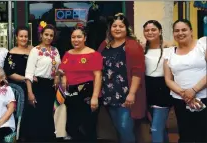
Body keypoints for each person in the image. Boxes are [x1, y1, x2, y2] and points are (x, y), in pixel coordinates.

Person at [97, 13, 146, 143]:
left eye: (121, 26)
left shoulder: (132, 45)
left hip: (126, 95)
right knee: (118, 127)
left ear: (127, 29)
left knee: (125, 127)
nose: (117, 29)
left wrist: (132, 93)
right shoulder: (105, 45)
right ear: (110, 28)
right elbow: (97, 67)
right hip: (109, 93)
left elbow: (137, 72)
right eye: (114, 26)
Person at [58, 23, 102, 142]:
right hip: (71, 94)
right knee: (71, 127)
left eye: (79, 37)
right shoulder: (67, 54)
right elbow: (65, 74)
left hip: (87, 92)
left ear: (85, 38)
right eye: (73, 37)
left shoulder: (93, 54)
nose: (75, 40)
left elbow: (98, 75)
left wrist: (95, 97)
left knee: (88, 127)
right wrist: (63, 89)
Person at [164, 19, 207, 142]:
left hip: (204, 97)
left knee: (203, 134)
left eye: (184, 29)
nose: (180, 33)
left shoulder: (202, 45)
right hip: (181, 100)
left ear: (191, 31)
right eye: (176, 31)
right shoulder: (169, 53)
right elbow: (168, 79)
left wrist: (194, 90)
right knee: (185, 134)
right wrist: (184, 93)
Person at [22, 22, 61, 142]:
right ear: (41, 35)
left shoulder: (55, 50)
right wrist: (30, 93)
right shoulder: (35, 50)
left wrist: (57, 76)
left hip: (51, 87)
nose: (48, 37)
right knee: (38, 117)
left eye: (51, 35)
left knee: (49, 115)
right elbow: (29, 73)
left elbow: (59, 67)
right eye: (46, 34)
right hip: (38, 86)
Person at [142, 20, 173, 143]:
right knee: (159, 127)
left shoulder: (169, 49)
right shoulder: (141, 49)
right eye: (147, 30)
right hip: (147, 90)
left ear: (160, 31)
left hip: (163, 90)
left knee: (155, 129)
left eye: (153, 29)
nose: (150, 32)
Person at [3, 26, 32, 140]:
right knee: (21, 113)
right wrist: (25, 79)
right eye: (21, 36)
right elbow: (9, 73)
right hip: (19, 88)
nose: (24, 38)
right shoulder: (12, 53)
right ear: (16, 37)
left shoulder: (33, 50)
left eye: (26, 36)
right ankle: (20, 137)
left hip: (34, 86)